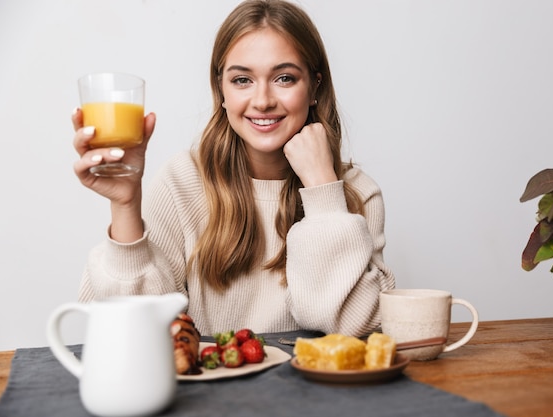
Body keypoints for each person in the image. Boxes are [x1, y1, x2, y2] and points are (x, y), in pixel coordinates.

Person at [71, 0, 395, 337]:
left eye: (284, 78)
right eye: (242, 80)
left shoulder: (357, 191)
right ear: (221, 91)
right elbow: (136, 330)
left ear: (314, 87)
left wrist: (322, 189)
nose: (263, 100)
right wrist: (125, 205)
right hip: (211, 388)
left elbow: (354, 328)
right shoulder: (181, 182)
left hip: (318, 389)